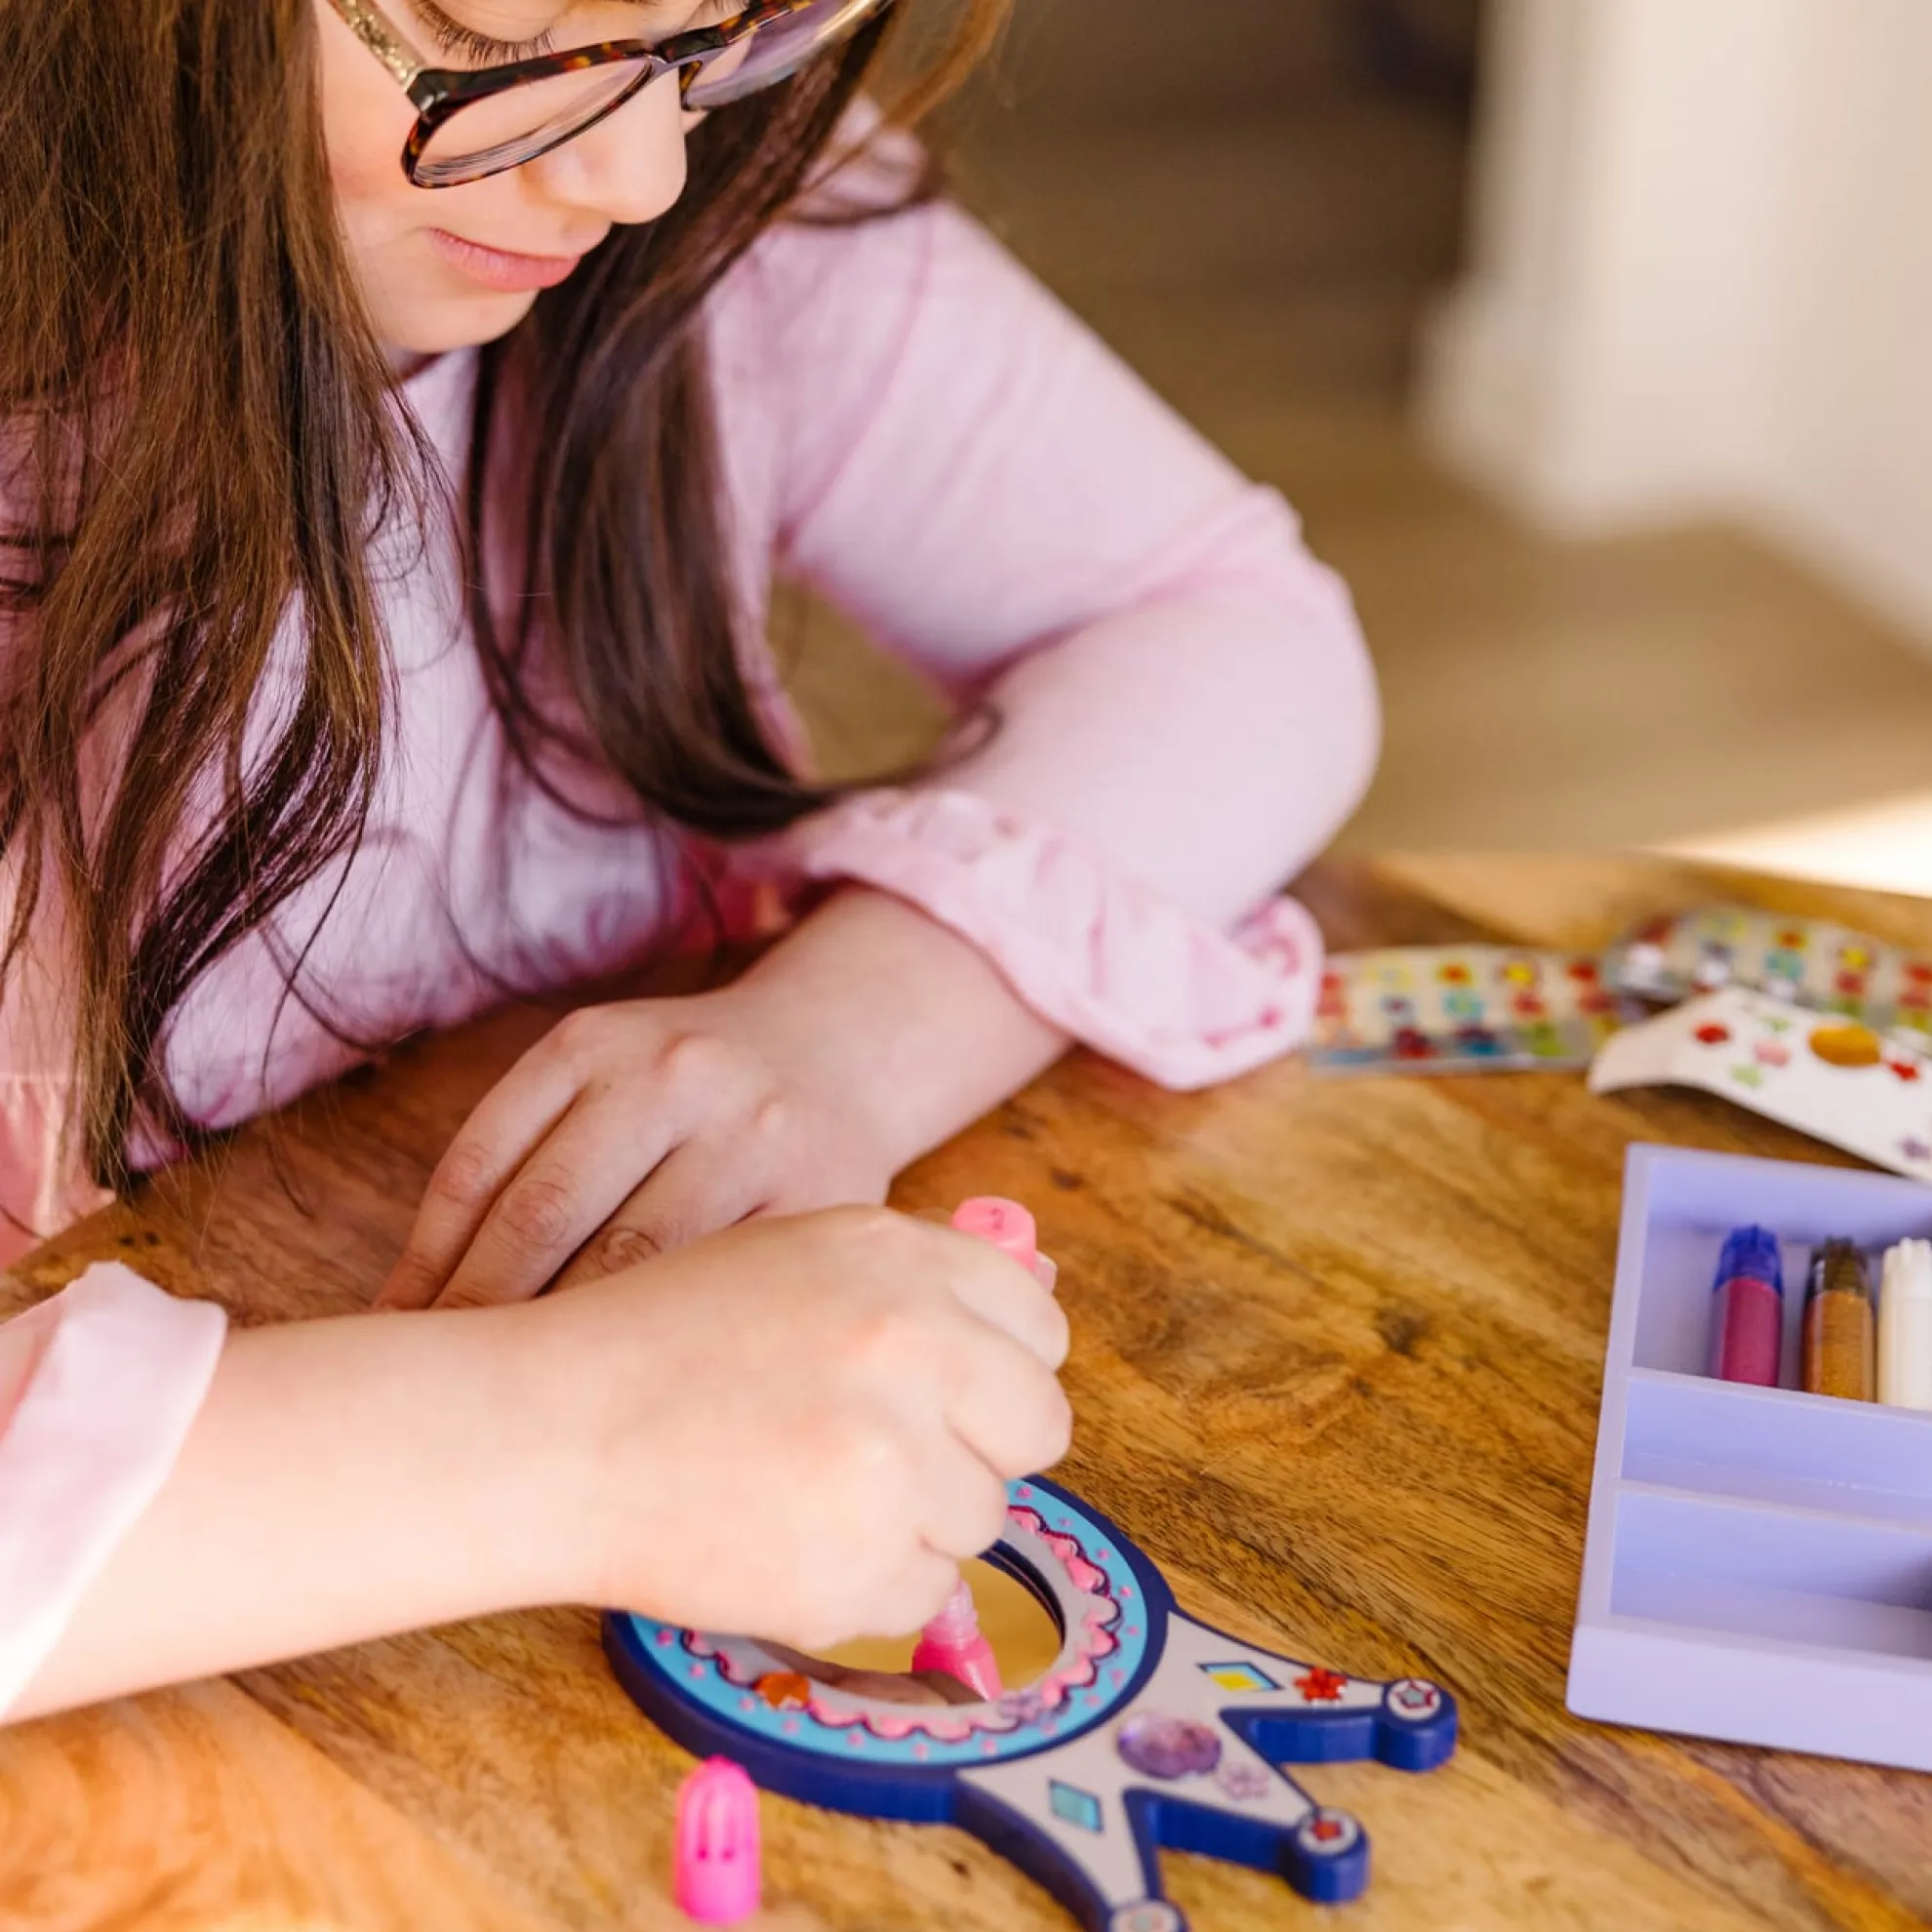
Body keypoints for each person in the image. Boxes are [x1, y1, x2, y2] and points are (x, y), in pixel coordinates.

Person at [0, 0, 1379, 1723]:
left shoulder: (735, 219)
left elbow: (1234, 633)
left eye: (722, 25)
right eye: (493, 24)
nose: (641, 172)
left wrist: (847, 1041)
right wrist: (579, 1436)